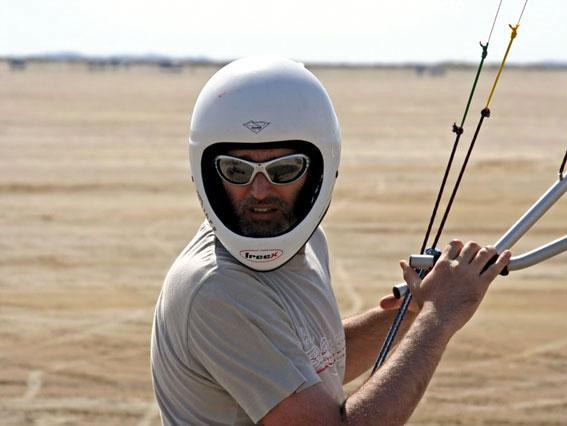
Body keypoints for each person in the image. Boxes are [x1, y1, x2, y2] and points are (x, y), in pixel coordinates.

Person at [150, 56, 511, 425]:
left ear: (320, 168)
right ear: (208, 172)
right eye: (236, 171)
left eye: (284, 169)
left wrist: (413, 310)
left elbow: (315, 367)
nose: (259, 191)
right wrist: (437, 318)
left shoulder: (306, 245)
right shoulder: (217, 289)